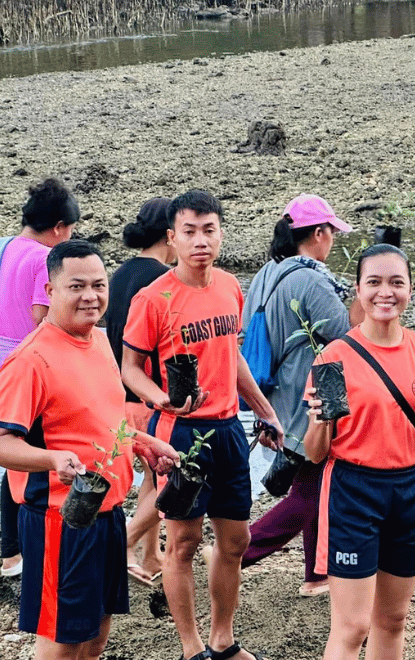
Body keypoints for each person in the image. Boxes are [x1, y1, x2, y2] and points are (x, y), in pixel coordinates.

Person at [121, 190, 284, 660]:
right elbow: (129, 368)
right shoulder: (153, 298)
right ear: (172, 238)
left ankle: (223, 640)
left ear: (221, 234)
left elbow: (230, 356)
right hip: (182, 434)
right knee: (184, 541)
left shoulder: (230, 286)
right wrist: (162, 401)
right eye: (189, 232)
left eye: (208, 230)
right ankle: (192, 648)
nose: (200, 241)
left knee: (236, 540)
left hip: (230, 428)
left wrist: (264, 410)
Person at [0, 239, 178, 660]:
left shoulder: (99, 342)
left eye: (98, 285)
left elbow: (104, 418)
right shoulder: (31, 360)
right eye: (76, 286)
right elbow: (3, 444)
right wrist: (50, 459)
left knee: (97, 635)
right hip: (60, 521)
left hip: (109, 512)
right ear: (49, 291)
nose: (90, 297)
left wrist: (142, 442)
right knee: (62, 641)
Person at [302, 243, 415, 660]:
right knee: (352, 627)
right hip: (352, 491)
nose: (385, 292)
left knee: (393, 620)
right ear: (358, 290)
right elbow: (313, 453)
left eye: (396, 282)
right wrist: (322, 420)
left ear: (411, 290)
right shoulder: (333, 357)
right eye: (374, 282)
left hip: (411, 489)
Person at [238, 194, 352, 597]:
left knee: (314, 482)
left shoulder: (265, 275)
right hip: (306, 396)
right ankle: (236, 555)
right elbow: (346, 332)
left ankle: (315, 574)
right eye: (332, 233)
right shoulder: (311, 278)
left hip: (272, 394)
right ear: (318, 234)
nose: (334, 241)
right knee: (311, 490)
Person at [0, 178, 79, 580]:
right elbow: (39, 318)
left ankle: (10, 550)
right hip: (27, 363)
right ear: (61, 228)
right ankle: (12, 552)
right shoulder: (42, 258)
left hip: (3, 356)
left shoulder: (8, 246)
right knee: (26, 455)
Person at [105, 197, 176, 588]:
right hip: (151, 396)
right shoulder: (160, 280)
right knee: (166, 478)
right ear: (170, 234)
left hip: (122, 395)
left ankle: (150, 556)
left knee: (151, 479)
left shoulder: (119, 274)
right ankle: (124, 546)